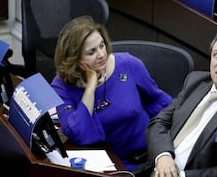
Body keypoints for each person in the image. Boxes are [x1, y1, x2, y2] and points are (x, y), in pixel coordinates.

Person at [50, 15, 172, 171]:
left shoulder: (129, 64)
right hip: (101, 166)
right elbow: (79, 133)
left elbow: (162, 105)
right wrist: (90, 88)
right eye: (91, 52)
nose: (101, 54)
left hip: (143, 160)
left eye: (102, 45)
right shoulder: (61, 86)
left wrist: (164, 151)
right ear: (74, 58)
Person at [134, 30, 217, 177]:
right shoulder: (195, 82)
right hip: (155, 169)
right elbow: (159, 122)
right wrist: (163, 156)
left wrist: (180, 176)